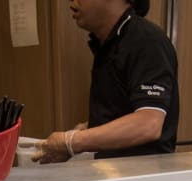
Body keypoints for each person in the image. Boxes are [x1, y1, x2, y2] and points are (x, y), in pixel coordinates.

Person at [35, 0, 179, 162]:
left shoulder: (146, 40)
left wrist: (72, 142)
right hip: (115, 172)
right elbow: (124, 110)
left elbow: (148, 124)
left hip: (142, 178)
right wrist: (91, 127)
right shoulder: (110, 44)